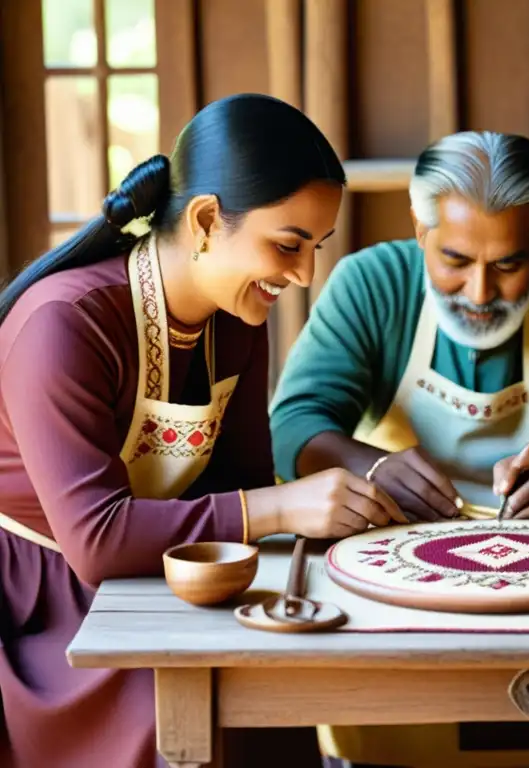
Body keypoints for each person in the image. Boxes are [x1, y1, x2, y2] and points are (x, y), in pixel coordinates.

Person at [0, 93, 405, 768]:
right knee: (183, 725)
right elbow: (97, 542)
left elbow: (241, 485)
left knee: (273, 692)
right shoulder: (64, 324)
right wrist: (285, 503)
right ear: (207, 219)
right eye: (287, 245)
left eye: (316, 249)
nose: (304, 275)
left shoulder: (237, 320)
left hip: (171, 577)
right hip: (46, 607)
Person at [269, 130, 529, 767]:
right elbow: (296, 425)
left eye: (509, 264)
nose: (479, 292)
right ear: (419, 233)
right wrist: (375, 467)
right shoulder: (370, 286)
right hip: (388, 568)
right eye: (455, 260)